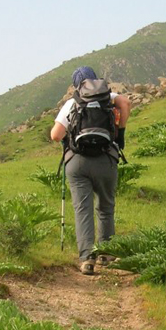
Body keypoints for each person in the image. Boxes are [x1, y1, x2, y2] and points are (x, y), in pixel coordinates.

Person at [50, 66, 131, 275]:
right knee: (105, 206)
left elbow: (55, 135)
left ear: (77, 84)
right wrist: (120, 132)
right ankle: (106, 253)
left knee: (82, 209)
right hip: (106, 159)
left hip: (78, 162)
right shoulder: (109, 97)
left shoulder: (72, 102)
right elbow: (126, 103)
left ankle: (87, 259)